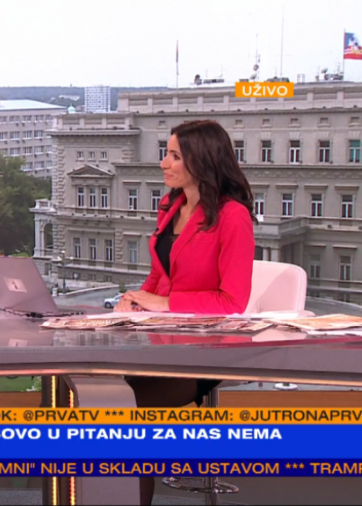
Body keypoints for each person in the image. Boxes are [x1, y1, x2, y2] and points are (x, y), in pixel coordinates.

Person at [114, 119, 256, 505]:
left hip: (206, 353)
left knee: (123, 407)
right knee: (98, 389)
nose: (164, 163)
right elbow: (161, 275)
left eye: (175, 156)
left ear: (202, 161)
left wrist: (165, 303)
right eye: (167, 153)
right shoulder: (171, 206)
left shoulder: (232, 216)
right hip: (162, 341)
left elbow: (233, 302)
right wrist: (137, 299)